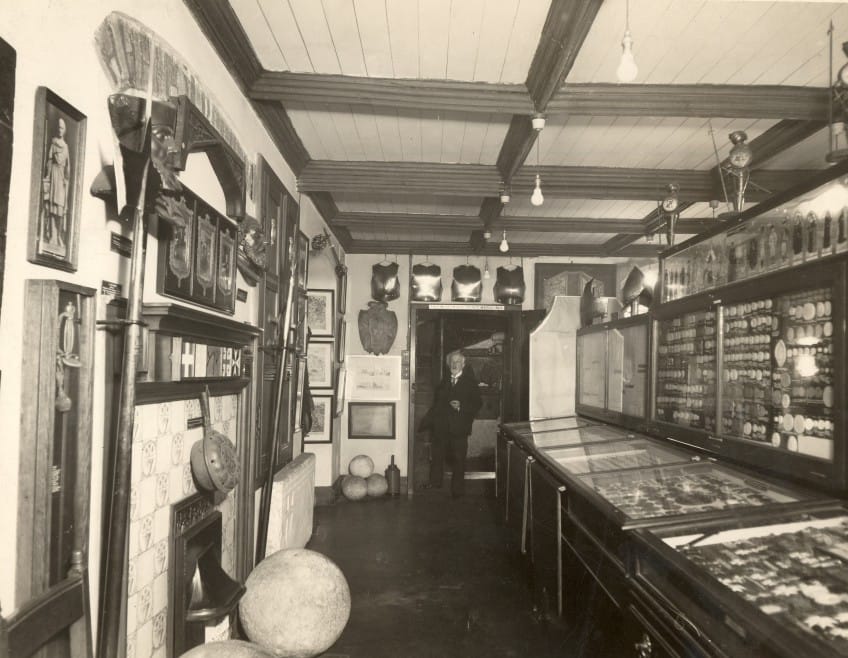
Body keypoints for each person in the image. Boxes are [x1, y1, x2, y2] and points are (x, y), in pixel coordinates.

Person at [423, 350, 482, 498]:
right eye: (452, 362)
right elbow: (437, 404)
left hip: (459, 427)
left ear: (463, 364)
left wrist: (461, 406)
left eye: (458, 362)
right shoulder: (444, 382)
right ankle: (435, 482)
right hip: (441, 427)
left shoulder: (470, 383)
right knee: (437, 456)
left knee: (459, 459)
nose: (454, 364)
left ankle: (457, 490)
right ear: (449, 365)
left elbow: (477, 404)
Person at [42, 117, 70, 248]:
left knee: (60, 208)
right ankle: (52, 236)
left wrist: (66, 179)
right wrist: (47, 176)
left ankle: (58, 235)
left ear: (65, 130)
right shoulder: (53, 143)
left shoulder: (66, 147)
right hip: (53, 175)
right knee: (53, 208)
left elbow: (68, 166)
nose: (60, 130)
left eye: (62, 128)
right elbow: (48, 161)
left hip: (61, 178)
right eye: (59, 127)